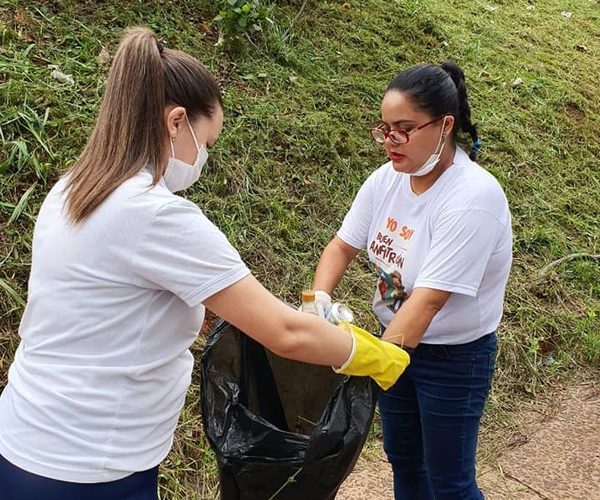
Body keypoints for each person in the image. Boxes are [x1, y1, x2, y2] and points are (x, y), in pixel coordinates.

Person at [0, 27, 410, 500]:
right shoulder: (154, 215)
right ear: (176, 123)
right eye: (207, 141)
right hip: (90, 468)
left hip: (25, 441)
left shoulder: (74, 188)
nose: (205, 156)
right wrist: (370, 353)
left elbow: (109, 309)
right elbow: (285, 332)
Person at [312, 62, 512, 499]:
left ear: (444, 126)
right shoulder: (388, 179)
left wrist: (365, 362)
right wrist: (318, 301)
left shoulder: (472, 199)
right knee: (404, 459)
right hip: (394, 341)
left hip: (452, 359)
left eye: (403, 129)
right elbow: (341, 247)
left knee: (450, 482)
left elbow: (427, 302)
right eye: (384, 129)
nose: (390, 142)